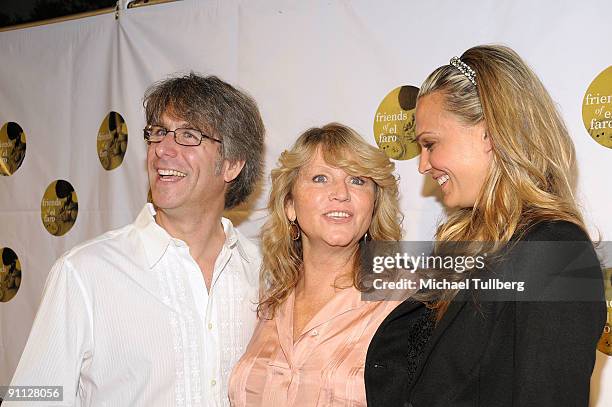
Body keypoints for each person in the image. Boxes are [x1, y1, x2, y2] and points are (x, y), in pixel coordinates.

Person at [365, 45, 606, 406]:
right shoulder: (470, 247)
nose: (422, 165)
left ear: (490, 133)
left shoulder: (555, 253)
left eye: (430, 144)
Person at [7, 73, 265, 406]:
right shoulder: (85, 274)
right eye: (158, 133)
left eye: (188, 135)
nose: (162, 150)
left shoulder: (264, 275)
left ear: (231, 165)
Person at [228, 123, 407, 406]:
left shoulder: (404, 304)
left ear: (373, 206)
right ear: (290, 206)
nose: (341, 193)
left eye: (358, 180)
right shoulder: (266, 301)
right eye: (321, 178)